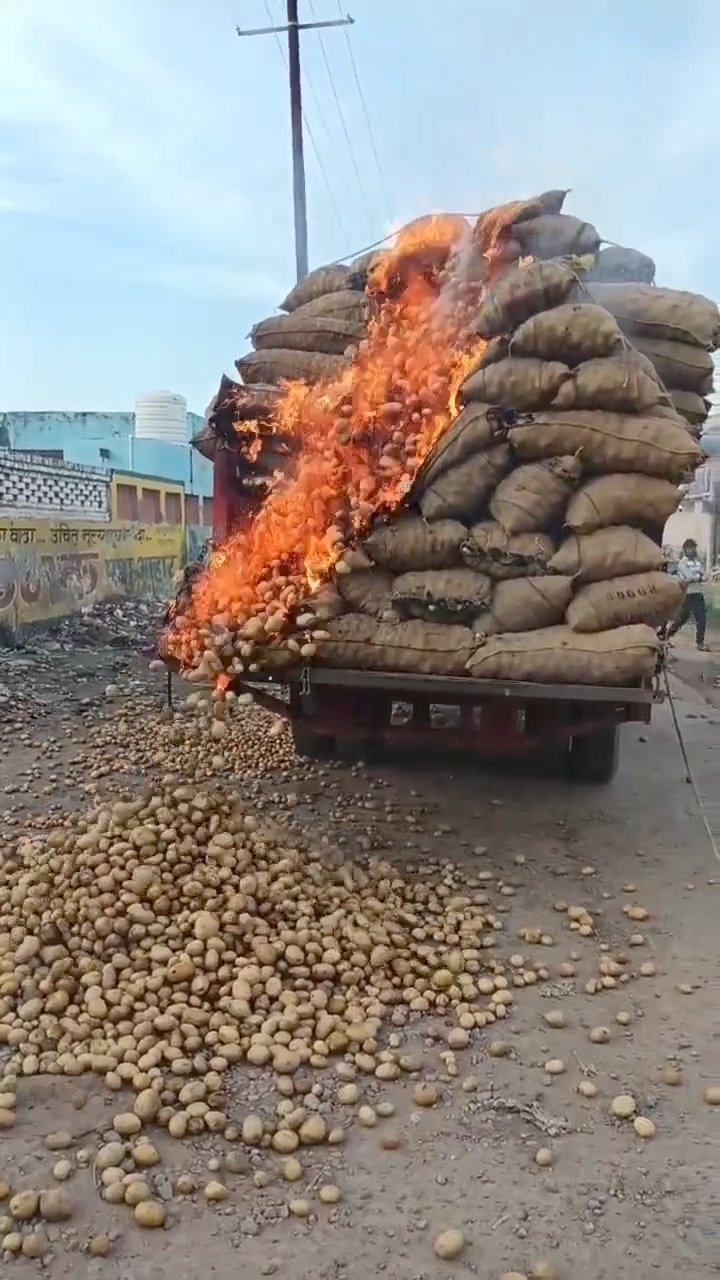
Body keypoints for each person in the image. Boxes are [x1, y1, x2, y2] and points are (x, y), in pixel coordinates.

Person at [666, 539, 707, 650]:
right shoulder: (682, 562)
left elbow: (705, 574)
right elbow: (688, 577)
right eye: (690, 548)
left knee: (701, 619)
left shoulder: (697, 561)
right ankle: (667, 636)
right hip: (688, 594)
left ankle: (700, 643)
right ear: (685, 549)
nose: (692, 550)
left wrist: (698, 577)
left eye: (693, 547)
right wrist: (698, 577)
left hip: (698, 593)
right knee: (681, 619)